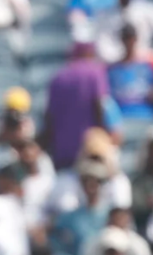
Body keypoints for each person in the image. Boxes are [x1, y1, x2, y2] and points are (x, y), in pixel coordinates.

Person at [42, 36, 109, 171]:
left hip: (62, 153)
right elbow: (100, 106)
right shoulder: (95, 72)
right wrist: (104, 136)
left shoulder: (57, 76)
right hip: (88, 152)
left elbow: (49, 117)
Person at [107, 24, 153, 121]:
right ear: (121, 40)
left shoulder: (148, 66)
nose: (129, 41)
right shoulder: (113, 69)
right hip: (122, 117)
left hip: (145, 115)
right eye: (126, 38)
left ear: (135, 39)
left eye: (131, 37)